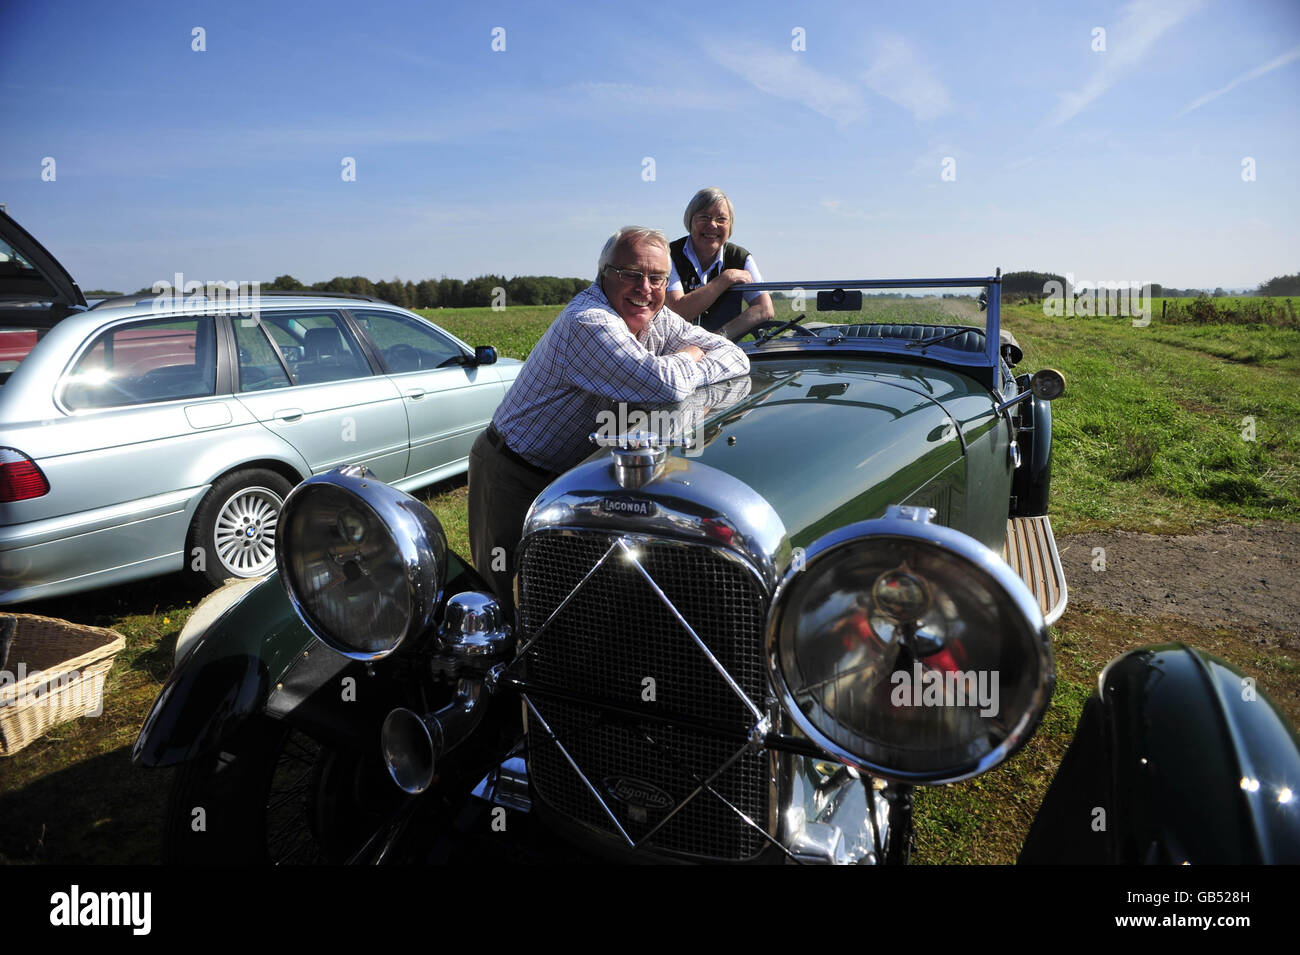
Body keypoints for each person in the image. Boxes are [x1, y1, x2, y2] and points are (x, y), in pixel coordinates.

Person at [467, 226, 750, 617]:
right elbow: (665, 385)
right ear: (604, 274)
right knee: (502, 595)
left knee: (556, 593)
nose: (645, 288)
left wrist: (684, 364)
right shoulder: (589, 321)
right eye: (632, 274)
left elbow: (735, 356)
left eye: (657, 278)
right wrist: (689, 355)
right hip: (513, 470)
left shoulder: (656, 316)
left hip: (566, 476)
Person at [665, 187, 774, 339]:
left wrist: (719, 338)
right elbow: (678, 311)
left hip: (724, 349)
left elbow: (764, 308)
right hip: (675, 346)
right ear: (690, 221)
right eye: (704, 217)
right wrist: (726, 279)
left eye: (721, 219)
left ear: (730, 226)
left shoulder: (740, 257)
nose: (712, 225)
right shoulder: (668, 255)